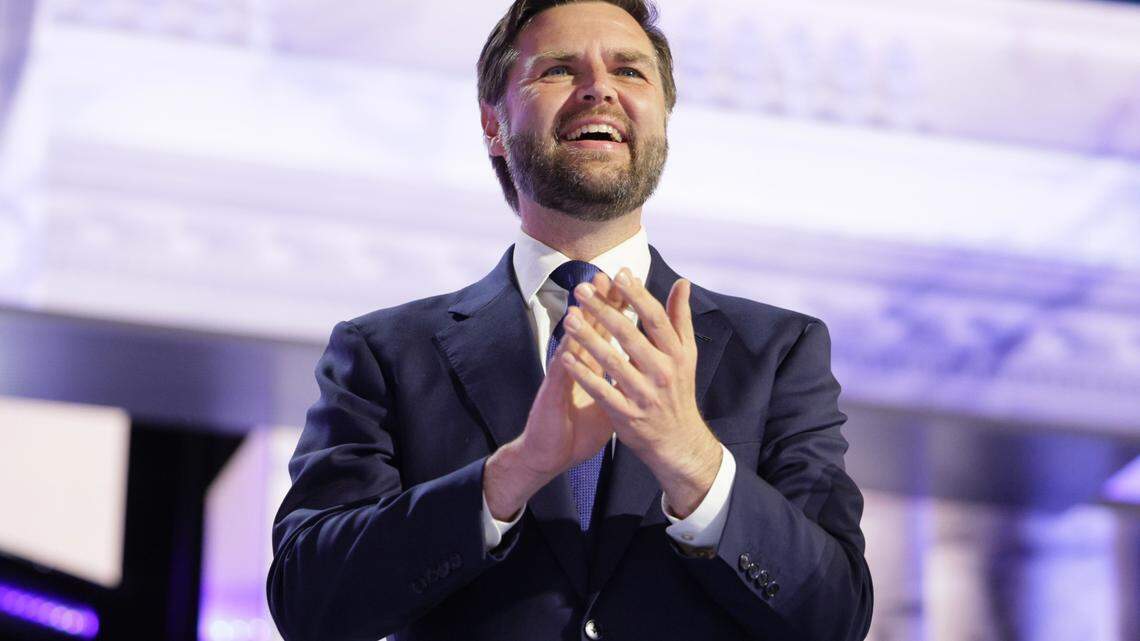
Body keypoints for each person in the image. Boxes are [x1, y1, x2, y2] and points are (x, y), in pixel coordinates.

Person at [266, 1, 873, 640]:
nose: (599, 88)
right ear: (493, 125)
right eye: (558, 69)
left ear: (663, 121)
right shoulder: (385, 352)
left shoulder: (778, 351)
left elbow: (833, 616)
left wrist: (691, 460)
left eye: (630, 72)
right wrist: (514, 473)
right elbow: (310, 603)